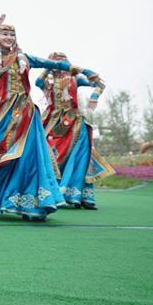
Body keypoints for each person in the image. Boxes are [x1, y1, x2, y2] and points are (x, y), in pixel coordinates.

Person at [0, 26, 95, 220]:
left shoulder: (24, 58)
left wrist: (85, 71)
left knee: (28, 157)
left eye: (12, 35)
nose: (9, 37)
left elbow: (52, 64)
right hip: (0, 112)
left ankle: (29, 203)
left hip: (26, 114)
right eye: (5, 34)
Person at [36, 52, 113, 209]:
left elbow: (100, 84)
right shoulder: (48, 80)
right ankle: (52, 192)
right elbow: (38, 82)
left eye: (62, 61)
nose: (60, 64)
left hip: (74, 122)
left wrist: (94, 97)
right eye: (56, 61)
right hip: (52, 122)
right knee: (50, 155)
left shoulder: (74, 78)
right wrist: (47, 67)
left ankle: (77, 194)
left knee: (79, 157)